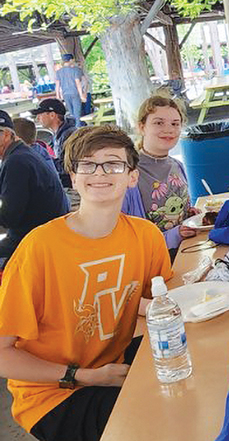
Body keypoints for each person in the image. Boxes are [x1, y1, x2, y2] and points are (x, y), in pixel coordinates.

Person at [0, 124, 173, 441]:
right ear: (73, 177)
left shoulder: (146, 236)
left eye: (113, 164)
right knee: (159, 423)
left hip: (111, 366)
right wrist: (85, 376)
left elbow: (156, 302)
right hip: (52, 394)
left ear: (132, 176)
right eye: (88, 164)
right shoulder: (39, 248)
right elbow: (2, 353)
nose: (100, 173)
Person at [122, 95, 197, 256]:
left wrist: (190, 215)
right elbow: (125, 237)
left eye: (175, 124)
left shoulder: (178, 165)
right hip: (155, 261)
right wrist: (174, 235)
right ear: (141, 127)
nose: (168, 129)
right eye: (159, 123)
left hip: (187, 252)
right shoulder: (128, 174)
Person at [0, 112, 69, 268]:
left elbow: (10, 217)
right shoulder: (22, 154)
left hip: (36, 241)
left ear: (6, 135)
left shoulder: (16, 161)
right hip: (43, 233)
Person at [31, 98, 77, 188]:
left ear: (52, 115)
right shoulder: (59, 134)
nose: (37, 118)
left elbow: (67, 167)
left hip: (70, 185)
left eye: (40, 114)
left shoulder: (69, 135)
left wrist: (44, 159)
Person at [55, 53, 86, 120]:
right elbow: (78, 83)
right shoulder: (75, 70)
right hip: (75, 93)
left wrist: (58, 96)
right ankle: (78, 125)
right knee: (77, 113)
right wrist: (81, 95)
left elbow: (57, 85)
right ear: (71, 60)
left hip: (65, 94)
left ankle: (74, 125)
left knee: (71, 113)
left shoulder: (58, 72)